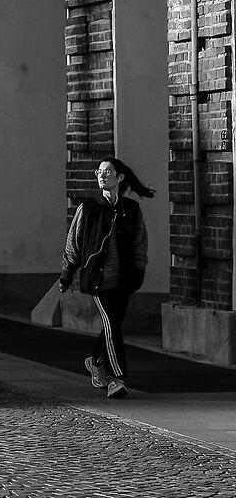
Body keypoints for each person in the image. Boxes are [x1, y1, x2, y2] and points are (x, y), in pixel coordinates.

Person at [59, 157, 155, 399]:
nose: (102, 175)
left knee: (113, 326)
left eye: (108, 172)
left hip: (125, 279)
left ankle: (96, 360)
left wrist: (139, 271)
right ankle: (117, 378)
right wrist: (66, 276)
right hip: (98, 280)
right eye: (99, 172)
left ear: (119, 178)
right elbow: (73, 245)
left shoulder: (130, 209)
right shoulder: (88, 208)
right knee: (112, 325)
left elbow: (140, 242)